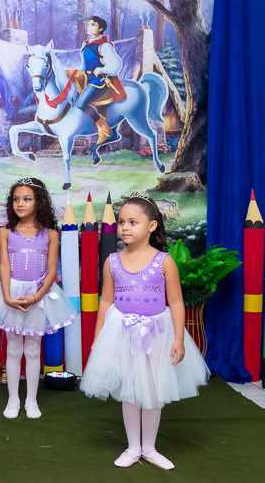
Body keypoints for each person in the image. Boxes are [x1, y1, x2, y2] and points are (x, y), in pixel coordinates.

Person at [80, 190, 210, 470]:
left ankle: (149, 448)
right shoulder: (112, 261)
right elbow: (106, 301)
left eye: (132, 222)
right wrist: (98, 335)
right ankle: (133, 447)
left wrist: (179, 338)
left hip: (157, 333)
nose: (124, 227)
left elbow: (176, 302)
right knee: (130, 389)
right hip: (122, 332)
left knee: (152, 388)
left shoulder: (164, 261)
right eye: (121, 222)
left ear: (152, 226)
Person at [0, 178, 77, 419]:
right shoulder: (5, 232)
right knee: (13, 348)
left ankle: (31, 401)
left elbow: (52, 272)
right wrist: (7, 297)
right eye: (16, 199)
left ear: (39, 202)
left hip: (37, 295)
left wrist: (35, 298)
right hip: (11, 292)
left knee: (33, 349)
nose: (20, 204)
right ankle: (13, 399)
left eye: (26, 199)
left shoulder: (50, 234)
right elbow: (4, 266)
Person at [76, 15, 124, 144]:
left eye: (93, 24)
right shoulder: (85, 45)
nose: (89, 27)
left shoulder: (104, 46)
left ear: (101, 28)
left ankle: (103, 126)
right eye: (89, 24)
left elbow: (116, 64)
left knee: (81, 103)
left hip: (99, 80)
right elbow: (82, 66)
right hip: (87, 78)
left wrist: (102, 69)